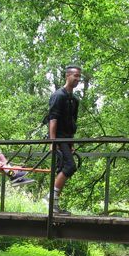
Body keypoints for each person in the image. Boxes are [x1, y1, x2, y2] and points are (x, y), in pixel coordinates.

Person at [46, 65, 81, 215]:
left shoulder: (74, 100)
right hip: (58, 138)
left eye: (79, 76)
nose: (78, 79)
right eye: (75, 76)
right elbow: (52, 119)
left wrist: (71, 144)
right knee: (70, 166)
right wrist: (52, 142)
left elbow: (72, 122)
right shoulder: (58, 96)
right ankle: (50, 197)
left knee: (63, 169)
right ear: (67, 76)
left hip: (67, 138)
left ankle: (54, 207)